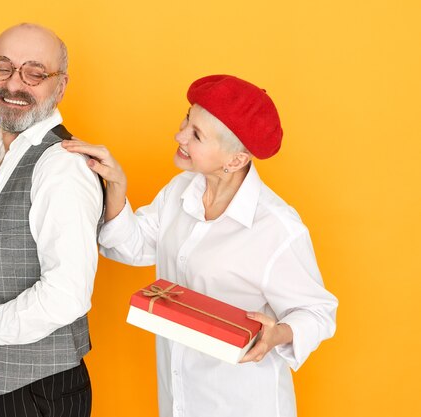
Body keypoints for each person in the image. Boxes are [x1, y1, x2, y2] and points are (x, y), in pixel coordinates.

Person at [62, 74, 338, 417]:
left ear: (235, 160)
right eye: (186, 120)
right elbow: (131, 246)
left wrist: (278, 334)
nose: (179, 135)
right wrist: (116, 184)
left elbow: (319, 312)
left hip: (243, 404)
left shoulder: (276, 228)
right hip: (179, 399)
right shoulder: (180, 191)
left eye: (196, 135)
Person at [0, 23, 103, 417]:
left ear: (60, 86)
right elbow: (6, 247)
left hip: (37, 391)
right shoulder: (4, 150)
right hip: (2, 384)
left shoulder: (61, 167)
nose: (14, 84)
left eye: (34, 73)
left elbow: (67, 294)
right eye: (3, 67)